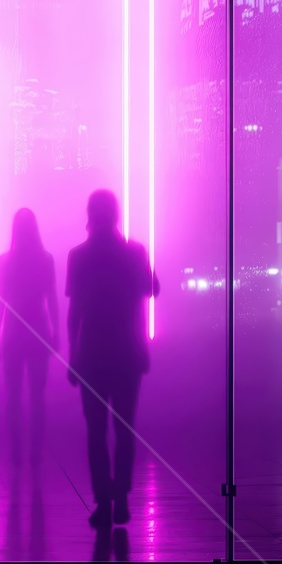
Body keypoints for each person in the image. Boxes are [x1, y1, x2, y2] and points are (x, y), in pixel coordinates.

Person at [65, 189, 159, 529]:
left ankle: (105, 500)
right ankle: (120, 498)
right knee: (124, 429)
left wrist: (73, 355)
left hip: (92, 351)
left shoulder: (79, 256)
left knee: (96, 430)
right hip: (127, 350)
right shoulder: (133, 252)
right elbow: (152, 289)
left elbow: (74, 312)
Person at [0, 208, 60, 469]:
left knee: (13, 395)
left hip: (13, 332)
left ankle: (16, 451)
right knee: (37, 396)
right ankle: (35, 452)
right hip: (38, 329)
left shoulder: (5, 261)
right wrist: (56, 332)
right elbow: (51, 297)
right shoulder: (46, 260)